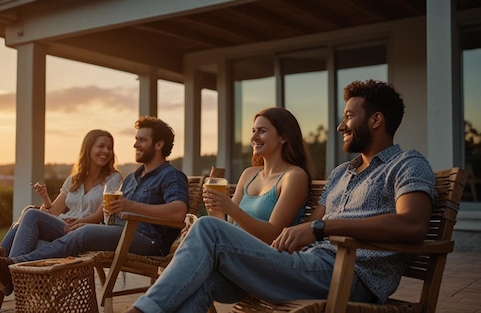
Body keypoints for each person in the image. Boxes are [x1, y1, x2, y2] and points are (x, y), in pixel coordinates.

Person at [124, 79, 437, 313]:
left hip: (350, 276)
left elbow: (412, 225)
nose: (341, 125)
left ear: (376, 120)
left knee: (208, 231)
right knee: (202, 275)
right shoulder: (342, 173)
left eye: (349, 117)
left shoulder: (407, 164)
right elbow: (305, 231)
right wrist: (300, 234)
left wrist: (322, 228)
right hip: (307, 265)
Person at [0, 116, 189, 297]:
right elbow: (111, 214)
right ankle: (6, 265)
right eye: (135, 139)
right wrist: (102, 219)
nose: (135, 144)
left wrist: (128, 207)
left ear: (159, 144)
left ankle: (10, 266)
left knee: (83, 231)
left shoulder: (172, 176)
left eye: (141, 140)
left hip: (148, 240)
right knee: (33, 214)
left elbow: (179, 211)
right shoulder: (133, 178)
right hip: (118, 232)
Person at [0, 129, 122, 312]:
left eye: (109, 147)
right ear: (89, 147)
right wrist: (45, 198)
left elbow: (101, 215)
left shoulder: (113, 178)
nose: (106, 151)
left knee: (30, 214)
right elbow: (54, 211)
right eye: (101, 146)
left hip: (84, 230)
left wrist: (78, 223)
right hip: (63, 225)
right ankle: (0, 263)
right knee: (29, 211)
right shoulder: (74, 180)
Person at [203, 107, 311, 244]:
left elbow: (273, 234)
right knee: (200, 227)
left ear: (283, 137)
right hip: (232, 248)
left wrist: (231, 208)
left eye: (262, 131)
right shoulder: (249, 174)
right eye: (254, 131)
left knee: (202, 227)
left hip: (265, 255)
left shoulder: (294, 176)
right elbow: (228, 224)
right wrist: (214, 206)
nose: (254, 138)